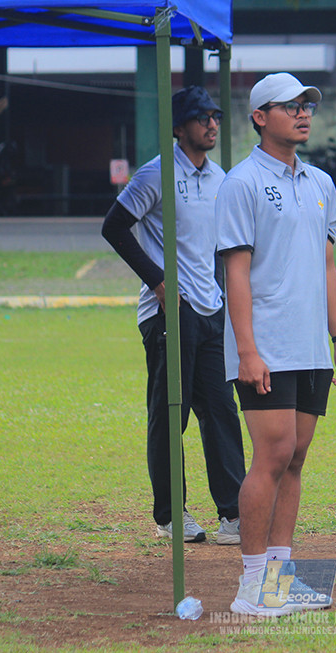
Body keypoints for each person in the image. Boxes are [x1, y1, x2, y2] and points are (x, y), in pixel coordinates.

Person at [215, 72, 336, 616]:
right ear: (259, 117)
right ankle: (251, 587)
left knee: (295, 459)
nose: (303, 113)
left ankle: (279, 579)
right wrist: (247, 350)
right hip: (266, 346)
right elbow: (237, 272)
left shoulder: (321, 182)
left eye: (307, 106)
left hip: (311, 348)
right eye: (290, 106)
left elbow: (326, 265)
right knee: (271, 456)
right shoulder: (242, 182)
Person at [101, 86, 246, 546]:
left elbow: (223, 248)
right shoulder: (156, 174)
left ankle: (234, 513)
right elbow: (114, 226)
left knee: (222, 409)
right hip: (169, 310)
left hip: (210, 308)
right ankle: (170, 514)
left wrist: (225, 297)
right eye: (202, 117)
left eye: (216, 116)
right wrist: (159, 281)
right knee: (171, 412)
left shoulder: (221, 178)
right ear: (180, 127)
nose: (212, 124)